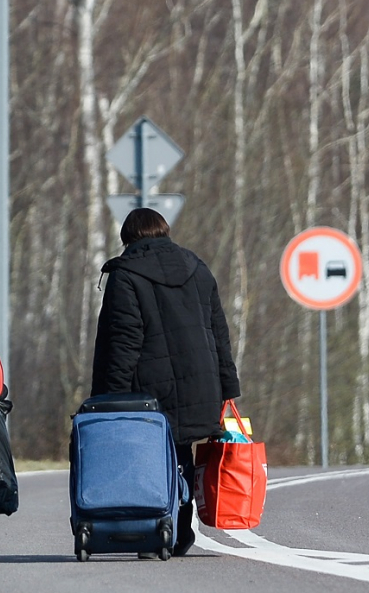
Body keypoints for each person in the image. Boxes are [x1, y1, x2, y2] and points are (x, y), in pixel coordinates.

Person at [90, 207, 242, 557]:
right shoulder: (197, 269)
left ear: (128, 239)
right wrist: (228, 388)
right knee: (181, 451)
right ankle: (180, 529)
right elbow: (220, 334)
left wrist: (109, 399)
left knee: (149, 454)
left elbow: (124, 342)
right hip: (200, 385)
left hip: (149, 388)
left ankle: (156, 525)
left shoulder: (126, 275)